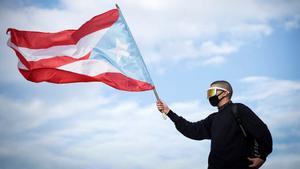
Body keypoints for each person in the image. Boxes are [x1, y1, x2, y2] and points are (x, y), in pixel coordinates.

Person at [156, 80, 272, 169]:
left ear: (225, 93)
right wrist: (169, 112)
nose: (209, 96)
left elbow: (263, 132)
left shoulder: (239, 109)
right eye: (208, 93)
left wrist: (262, 157)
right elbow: (192, 130)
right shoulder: (213, 118)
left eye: (211, 92)